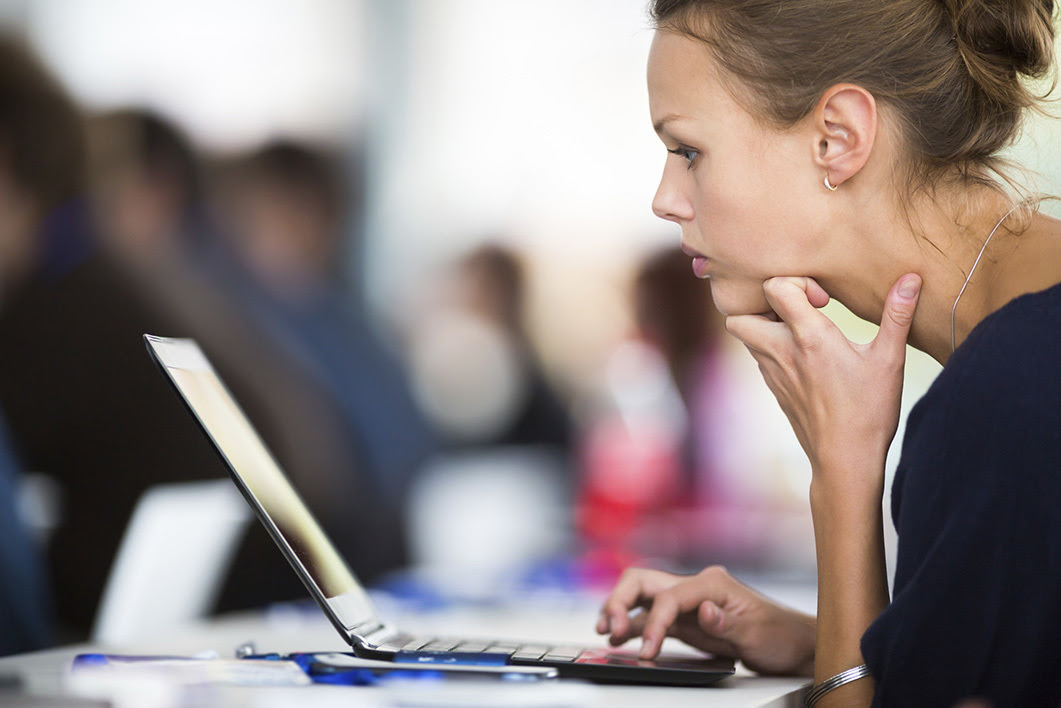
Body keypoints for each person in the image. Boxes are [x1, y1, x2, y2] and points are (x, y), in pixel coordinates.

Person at [596, 1, 1061, 706]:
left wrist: (841, 478)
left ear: (836, 138)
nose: (665, 200)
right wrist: (811, 637)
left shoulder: (1005, 398)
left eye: (688, 151)